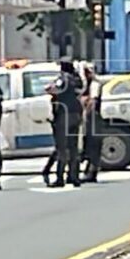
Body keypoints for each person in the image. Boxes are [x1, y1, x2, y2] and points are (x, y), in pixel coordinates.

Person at [45, 59, 83, 188]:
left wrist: (50, 89)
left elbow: (54, 89)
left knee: (62, 148)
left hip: (64, 115)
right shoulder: (76, 79)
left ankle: (60, 177)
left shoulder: (63, 78)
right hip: (76, 114)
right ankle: (74, 176)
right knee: (73, 148)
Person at [81, 66, 104, 183]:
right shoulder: (89, 84)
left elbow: (93, 102)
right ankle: (90, 172)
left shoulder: (95, 84)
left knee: (93, 146)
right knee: (90, 146)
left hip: (94, 119)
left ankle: (91, 173)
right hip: (91, 119)